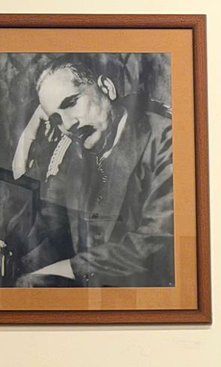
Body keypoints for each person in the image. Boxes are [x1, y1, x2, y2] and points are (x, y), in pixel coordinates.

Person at [11, 56, 173, 288]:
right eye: (56, 119)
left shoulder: (166, 140)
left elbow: (156, 242)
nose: (68, 125)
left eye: (71, 103)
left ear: (106, 88)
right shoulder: (73, 158)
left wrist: (69, 270)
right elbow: (49, 222)